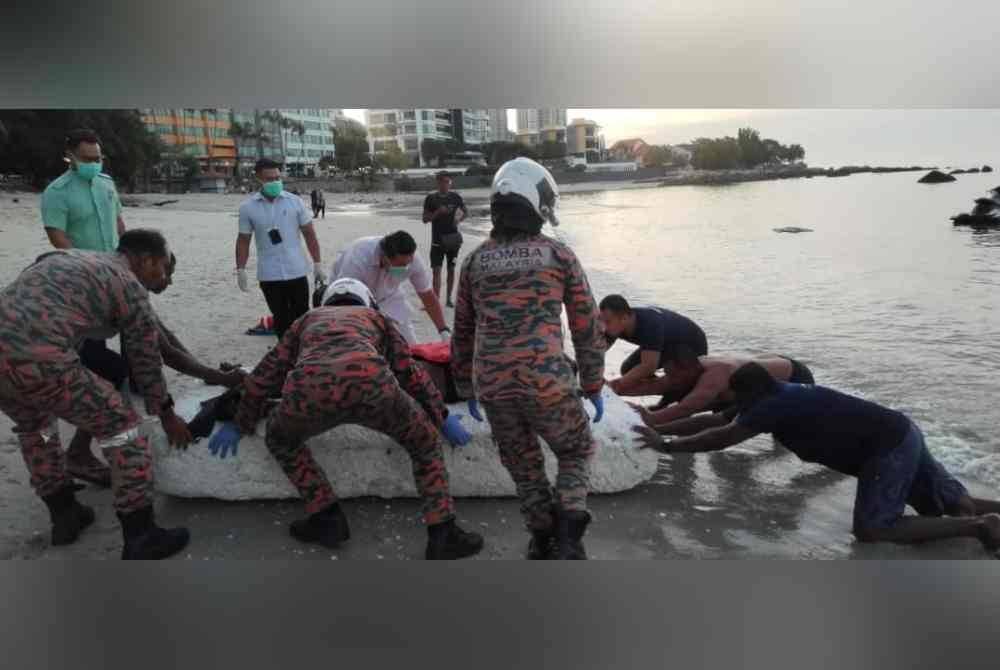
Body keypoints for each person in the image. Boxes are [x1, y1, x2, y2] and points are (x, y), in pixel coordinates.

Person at [205, 278, 484, 560]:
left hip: (311, 395)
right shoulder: (377, 317)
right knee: (424, 443)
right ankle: (442, 533)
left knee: (280, 439)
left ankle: (326, 516)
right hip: (375, 391)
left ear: (326, 302)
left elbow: (265, 376)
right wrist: (442, 416)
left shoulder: (306, 320)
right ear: (366, 300)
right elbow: (410, 374)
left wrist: (240, 424)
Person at [633, 362, 1000, 557]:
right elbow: (716, 419)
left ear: (750, 393)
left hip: (886, 449)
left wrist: (666, 448)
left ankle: (980, 526)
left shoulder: (770, 405)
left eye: (736, 398)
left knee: (874, 528)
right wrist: (657, 427)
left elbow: (722, 436)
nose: (733, 406)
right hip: (903, 431)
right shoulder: (777, 393)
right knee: (951, 501)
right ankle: (984, 518)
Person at [0, 229, 193, 559]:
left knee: (37, 428)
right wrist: (166, 413)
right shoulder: (129, 285)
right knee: (123, 428)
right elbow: (145, 360)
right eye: (162, 268)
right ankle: (141, 534)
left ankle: (65, 514)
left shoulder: (70, 257)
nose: (163, 277)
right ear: (145, 261)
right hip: (39, 356)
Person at [452, 157, 607, 560]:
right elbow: (586, 324)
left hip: (493, 385)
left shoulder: (474, 262)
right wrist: (593, 382)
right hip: (547, 380)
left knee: (524, 465)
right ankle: (569, 536)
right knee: (574, 451)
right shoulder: (558, 255)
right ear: (535, 204)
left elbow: (463, 331)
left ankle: (542, 538)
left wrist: (465, 385)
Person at [40, 128, 130, 487]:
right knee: (96, 368)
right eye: (88, 159)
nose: (95, 164)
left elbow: (119, 224)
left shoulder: (107, 184)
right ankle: (78, 450)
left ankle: (80, 447)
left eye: (98, 158)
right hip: (79, 290)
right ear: (70, 156)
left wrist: (126, 260)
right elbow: (57, 238)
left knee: (105, 359)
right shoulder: (56, 193)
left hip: (114, 280)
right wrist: (86, 271)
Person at [235, 158, 327, 339]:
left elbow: (309, 233)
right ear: (258, 179)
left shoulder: (295, 202)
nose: (275, 182)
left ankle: (304, 355)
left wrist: (317, 263)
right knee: (281, 319)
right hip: (269, 274)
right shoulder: (247, 208)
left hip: (297, 270)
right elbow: (243, 240)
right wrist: (240, 269)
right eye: (269, 179)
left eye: (278, 178)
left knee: (302, 317)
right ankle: (285, 356)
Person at [632, 351, 815, 435]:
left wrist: (651, 419)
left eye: (673, 376)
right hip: (765, 369)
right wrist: (614, 388)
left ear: (687, 370)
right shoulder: (692, 367)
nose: (670, 380)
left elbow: (687, 408)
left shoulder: (716, 374)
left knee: (785, 435)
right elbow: (658, 386)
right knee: (722, 416)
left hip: (794, 378)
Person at [330, 231, 451, 344]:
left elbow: (427, 295)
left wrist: (443, 330)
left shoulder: (413, 260)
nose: (405, 268)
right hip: (351, 296)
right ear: (384, 256)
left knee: (409, 344)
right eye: (401, 265)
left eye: (407, 264)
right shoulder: (358, 258)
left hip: (388, 296)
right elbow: (345, 303)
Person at [599, 295, 707, 406]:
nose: (603, 327)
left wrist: (615, 385)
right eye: (600, 321)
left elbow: (648, 367)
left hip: (690, 345)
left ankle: (675, 396)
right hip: (666, 343)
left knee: (672, 379)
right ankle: (669, 394)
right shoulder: (615, 324)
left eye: (607, 322)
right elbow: (595, 353)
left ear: (625, 318)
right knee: (628, 369)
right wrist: (592, 379)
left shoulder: (649, 325)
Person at [422, 171, 468, 307]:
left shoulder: (456, 197)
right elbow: (424, 219)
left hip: (453, 240)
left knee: (451, 269)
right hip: (437, 241)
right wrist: (437, 213)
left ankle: (448, 299)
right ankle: (436, 300)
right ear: (438, 183)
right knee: (436, 270)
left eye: (448, 182)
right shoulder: (431, 199)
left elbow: (466, 212)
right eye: (443, 182)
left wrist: (458, 220)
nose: (446, 185)